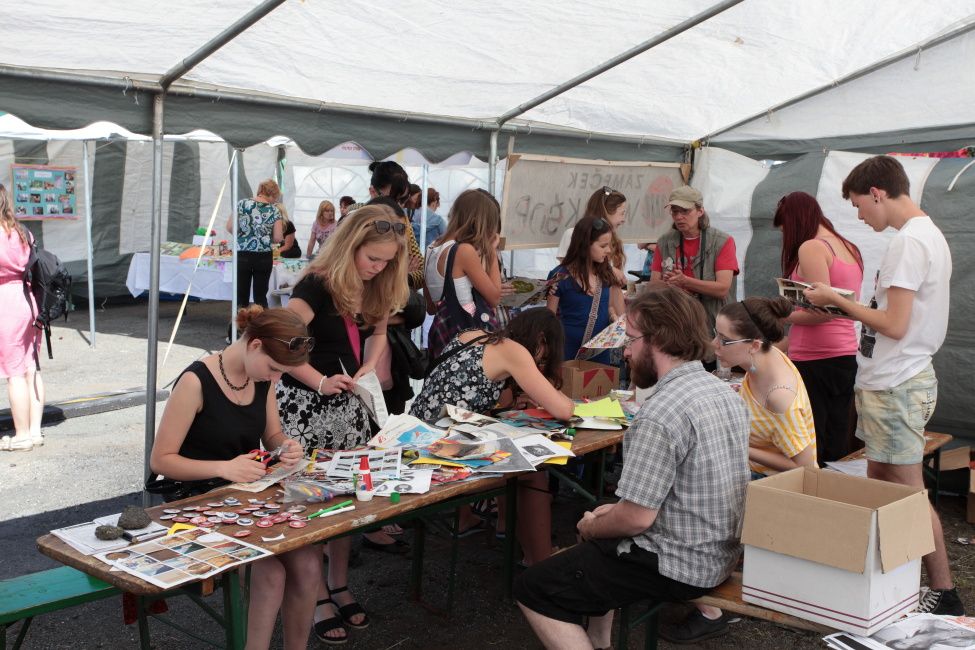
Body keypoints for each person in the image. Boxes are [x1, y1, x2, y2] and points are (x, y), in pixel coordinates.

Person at [516, 286, 750, 650]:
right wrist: (604, 518)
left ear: (658, 340)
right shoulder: (723, 392)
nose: (624, 351)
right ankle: (600, 641)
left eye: (630, 339)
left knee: (534, 587)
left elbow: (637, 520)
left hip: (679, 565)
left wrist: (593, 526)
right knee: (600, 516)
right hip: (721, 552)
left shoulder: (660, 413)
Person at [805, 155, 962, 616]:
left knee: (908, 496)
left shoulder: (908, 242)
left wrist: (836, 300)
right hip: (894, 381)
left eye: (858, 205)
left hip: (897, 384)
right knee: (879, 486)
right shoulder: (923, 235)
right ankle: (881, 584)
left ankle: (944, 593)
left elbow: (894, 324)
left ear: (877, 193)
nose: (859, 216)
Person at [149, 305, 319, 650]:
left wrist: (286, 446)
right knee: (269, 574)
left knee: (309, 564)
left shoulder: (262, 379)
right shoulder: (195, 381)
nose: (276, 379)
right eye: (274, 369)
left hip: (246, 494)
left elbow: (272, 435)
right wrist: (223, 468)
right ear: (254, 345)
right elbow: (161, 460)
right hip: (198, 501)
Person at [277, 204, 409, 642]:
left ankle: (338, 584)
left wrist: (368, 365)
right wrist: (318, 380)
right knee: (312, 502)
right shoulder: (316, 284)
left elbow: (378, 332)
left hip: (348, 408)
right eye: (373, 258)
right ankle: (316, 594)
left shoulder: (377, 283)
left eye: (387, 261)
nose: (378, 268)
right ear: (350, 246)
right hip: (306, 409)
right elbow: (280, 340)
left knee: (347, 500)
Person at [411, 308, 574, 565]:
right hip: (437, 448)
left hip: (415, 434)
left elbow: (483, 395)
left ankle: (509, 530)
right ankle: (541, 561)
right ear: (541, 339)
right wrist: (554, 395)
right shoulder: (514, 352)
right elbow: (564, 410)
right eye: (544, 356)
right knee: (532, 472)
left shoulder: (472, 335)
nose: (540, 363)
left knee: (508, 459)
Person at [774, 191, 863, 462]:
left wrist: (782, 315)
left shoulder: (811, 247)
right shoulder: (849, 246)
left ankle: (817, 487)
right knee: (836, 436)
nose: (785, 238)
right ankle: (834, 486)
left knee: (812, 442)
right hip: (844, 353)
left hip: (815, 359)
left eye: (785, 230)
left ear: (795, 221)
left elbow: (823, 313)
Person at [714, 297, 817, 475]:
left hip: (771, 484)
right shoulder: (767, 355)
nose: (713, 344)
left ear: (754, 345)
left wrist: (738, 446)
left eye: (723, 340)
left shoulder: (778, 398)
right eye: (715, 333)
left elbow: (805, 466)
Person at [650, 185, 738, 369]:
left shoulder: (722, 241)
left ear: (700, 211)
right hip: (678, 327)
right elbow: (654, 286)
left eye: (685, 211)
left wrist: (685, 282)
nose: (679, 217)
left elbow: (723, 289)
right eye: (675, 211)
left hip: (712, 328)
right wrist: (668, 285)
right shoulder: (664, 242)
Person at [424, 188, 503, 360]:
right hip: (467, 339)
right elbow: (495, 297)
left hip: (443, 335)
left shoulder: (431, 248)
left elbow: (430, 308)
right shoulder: (464, 251)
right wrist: (492, 252)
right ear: (479, 221)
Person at [0, 184, 44, 452]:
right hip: (29, 300)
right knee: (31, 367)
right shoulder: (22, 231)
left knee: (13, 372)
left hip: (5, 302)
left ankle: (22, 435)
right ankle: (35, 432)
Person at [547, 215, 625, 364]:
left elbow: (608, 306)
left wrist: (613, 317)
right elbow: (549, 319)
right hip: (567, 354)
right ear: (585, 245)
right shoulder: (560, 276)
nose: (608, 250)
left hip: (600, 354)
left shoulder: (606, 274)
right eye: (603, 246)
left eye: (609, 245)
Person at [226, 179, 284, 310]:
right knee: (260, 297)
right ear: (273, 194)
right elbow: (278, 237)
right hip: (263, 256)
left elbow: (229, 227)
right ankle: (261, 322)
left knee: (241, 297)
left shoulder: (242, 204)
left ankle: (239, 322)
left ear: (260, 190)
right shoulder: (274, 210)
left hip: (243, 254)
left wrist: (244, 235)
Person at [556, 186, 628, 286]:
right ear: (606, 212)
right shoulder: (572, 234)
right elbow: (567, 270)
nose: (624, 219)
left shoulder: (614, 239)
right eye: (622, 213)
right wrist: (610, 270)